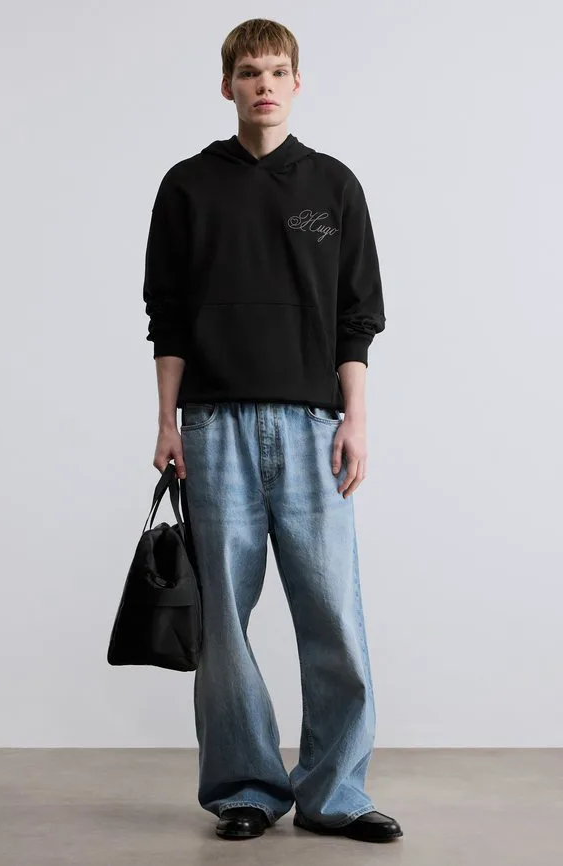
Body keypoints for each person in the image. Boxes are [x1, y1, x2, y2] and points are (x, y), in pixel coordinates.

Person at [142, 17, 403, 844]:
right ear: (227, 86)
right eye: (250, 71)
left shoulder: (333, 185)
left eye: (278, 71)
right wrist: (166, 421)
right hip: (212, 423)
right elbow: (167, 315)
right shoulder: (188, 186)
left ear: (297, 84)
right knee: (224, 622)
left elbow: (357, 316)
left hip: (312, 426)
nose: (264, 84)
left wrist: (356, 419)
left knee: (333, 615)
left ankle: (336, 793)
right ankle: (245, 788)